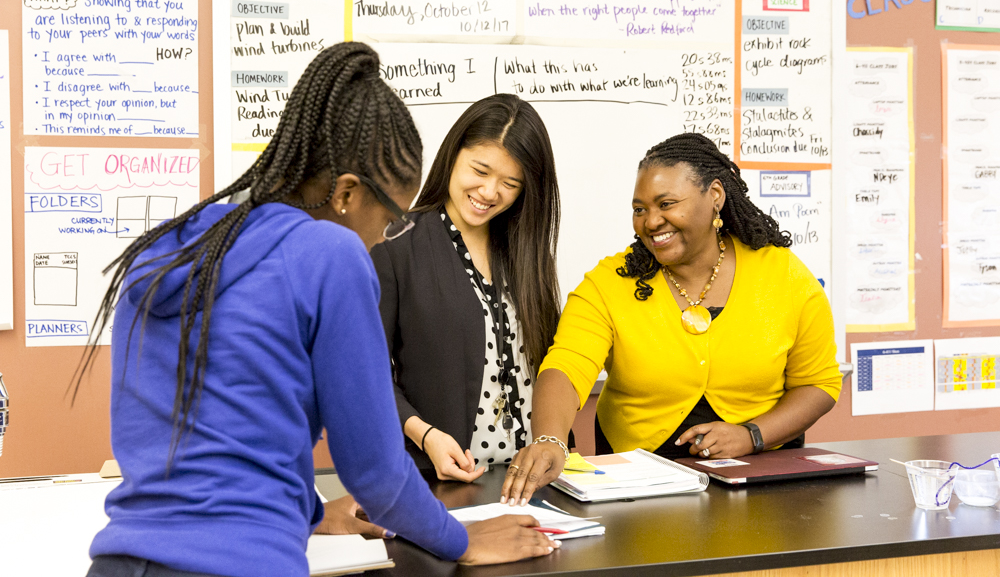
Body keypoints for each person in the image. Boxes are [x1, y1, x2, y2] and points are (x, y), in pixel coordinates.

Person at [75, 43, 558, 577]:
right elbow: (376, 473)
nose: (384, 238)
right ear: (348, 194)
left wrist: (307, 512)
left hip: (121, 559)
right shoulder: (331, 255)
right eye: (391, 218)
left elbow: (191, 445)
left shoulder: (166, 252)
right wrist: (461, 541)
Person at [501, 132, 842, 505]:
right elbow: (567, 365)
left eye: (666, 203)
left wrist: (752, 435)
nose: (651, 222)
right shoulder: (609, 283)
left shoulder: (785, 276)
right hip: (640, 490)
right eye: (640, 209)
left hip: (763, 482)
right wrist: (549, 439)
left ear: (714, 195)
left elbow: (819, 384)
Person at [371, 94, 561, 482]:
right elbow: (365, 371)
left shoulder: (525, 250)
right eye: (480, 170)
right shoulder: (394, 244)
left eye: (510, 183)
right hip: (442, 479)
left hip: (536, 482)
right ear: (454, 154)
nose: (490, 193)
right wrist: (424, 435)